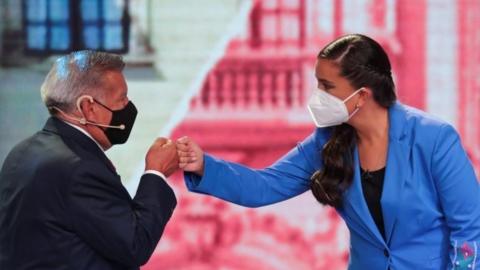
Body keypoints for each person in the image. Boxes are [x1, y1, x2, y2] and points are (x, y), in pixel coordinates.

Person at [176, 34, 480, 269]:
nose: (317, 97)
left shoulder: (434, 139)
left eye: (326, 86)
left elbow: (469, 229)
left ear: (362, 95)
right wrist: (204, 165)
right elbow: (263, 186)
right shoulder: (327, 141)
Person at [0, 51, 178, 269]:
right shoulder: (78, 168)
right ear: (88, 108)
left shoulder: (21, 152)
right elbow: (135, 243)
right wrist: (156, 173)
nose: (128, 106)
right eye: (122, 98)